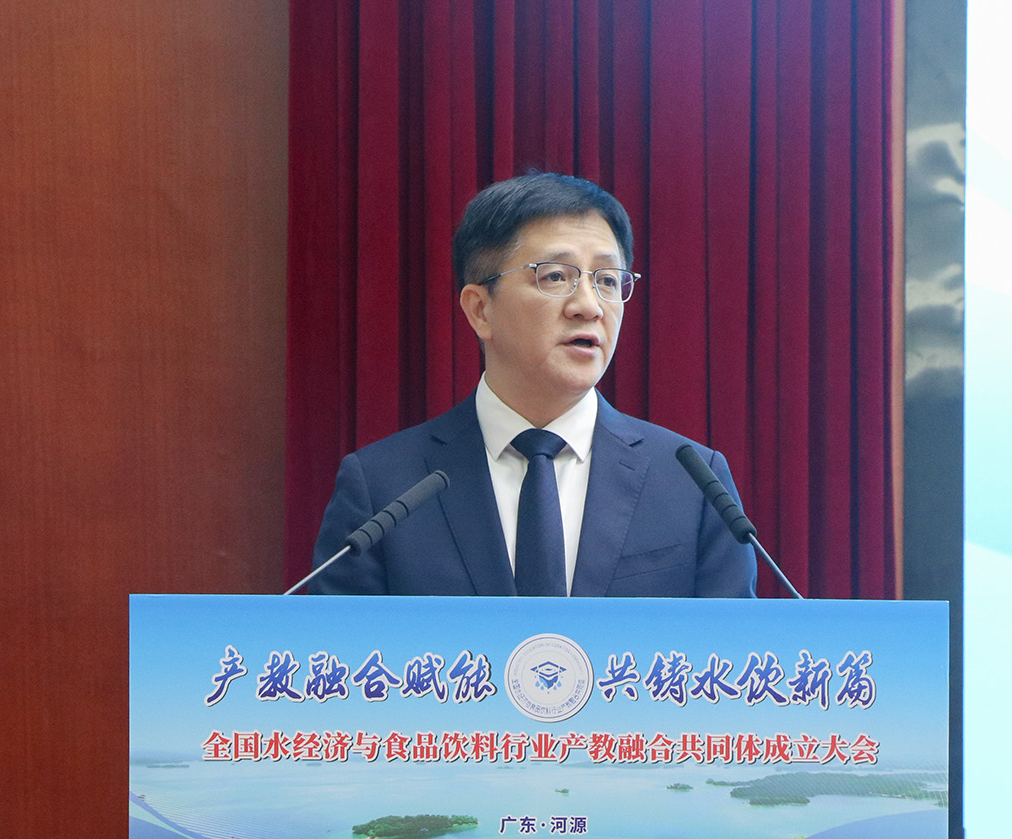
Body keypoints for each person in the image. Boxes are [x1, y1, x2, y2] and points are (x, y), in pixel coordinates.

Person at [309, 172, 757, 597]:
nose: (589, 306)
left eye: (607, 280)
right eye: (556, 276)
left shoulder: (692, 484)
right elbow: (337, 647)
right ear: (480, 309)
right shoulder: (384, 487)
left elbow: (731, 646)